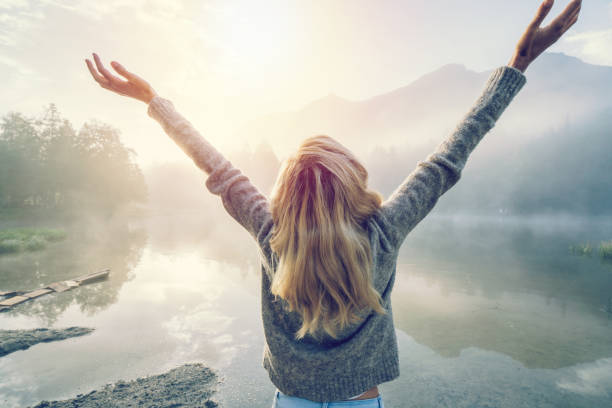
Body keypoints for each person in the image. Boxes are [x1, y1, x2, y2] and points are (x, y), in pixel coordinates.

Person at [85, 1, 581, 406]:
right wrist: (517, 65)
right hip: (362, 401)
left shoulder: (269, 229)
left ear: (287, 192)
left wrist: (154, 102)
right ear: (352, 180)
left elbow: (216, 166)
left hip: (292, 399)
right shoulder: (383, 231)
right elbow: (449, 158)